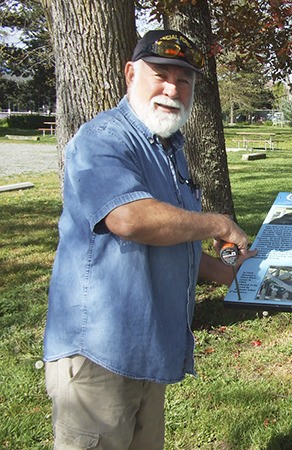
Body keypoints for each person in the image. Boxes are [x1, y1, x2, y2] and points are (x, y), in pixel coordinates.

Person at [43, 29, 256, 449]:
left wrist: (228, 274)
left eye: (184, 81)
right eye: (160, 75)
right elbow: (128, 218)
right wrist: (217, 224)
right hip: (98, 356)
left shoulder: (170, 146)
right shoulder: (101, 139)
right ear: (129, 74)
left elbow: (166, 238)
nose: (172, 89)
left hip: (147, 351)